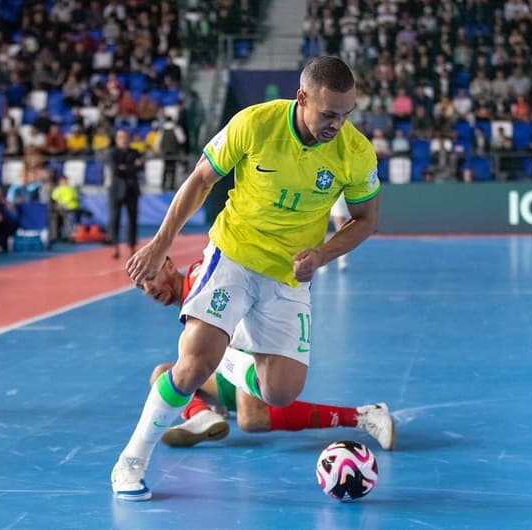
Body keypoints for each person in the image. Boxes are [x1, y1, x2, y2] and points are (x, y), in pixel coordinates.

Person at [112, 56, 380, 501]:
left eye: (347, 113)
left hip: (289, 276)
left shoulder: (354, 151)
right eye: (330, 113)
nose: (339, 123)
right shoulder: (254, 124)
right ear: (303, 98)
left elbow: (366, 219)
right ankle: (132, 461)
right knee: (190, 365)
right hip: (233, 255)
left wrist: (322, 253)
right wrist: (160, 244)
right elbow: (200, 180)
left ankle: (225, 362)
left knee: (279, 393)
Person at [137, 255, 394, 449]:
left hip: (254, 344)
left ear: (169, 264)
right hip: (233, 359)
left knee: (251, 418)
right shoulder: (190, 293)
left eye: (150, 276)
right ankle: (202, 414)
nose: (148, 289)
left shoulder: (200, 280)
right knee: (163, 374)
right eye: (141, 286)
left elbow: (240, 313)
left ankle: (364, 415)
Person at [106, 129, 142, 259]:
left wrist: (126, 168)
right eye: (121, 137)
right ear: (116, 139)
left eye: (126, 137)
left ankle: (132, 245)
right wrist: (131, 168)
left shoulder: (134, 152)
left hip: (132, 190)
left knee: (132, 219)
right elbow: (116, 170)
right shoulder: (112, 153)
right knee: (114, 219)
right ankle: (115, 245)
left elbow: (140, 167)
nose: (124, 140)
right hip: (116, 191)